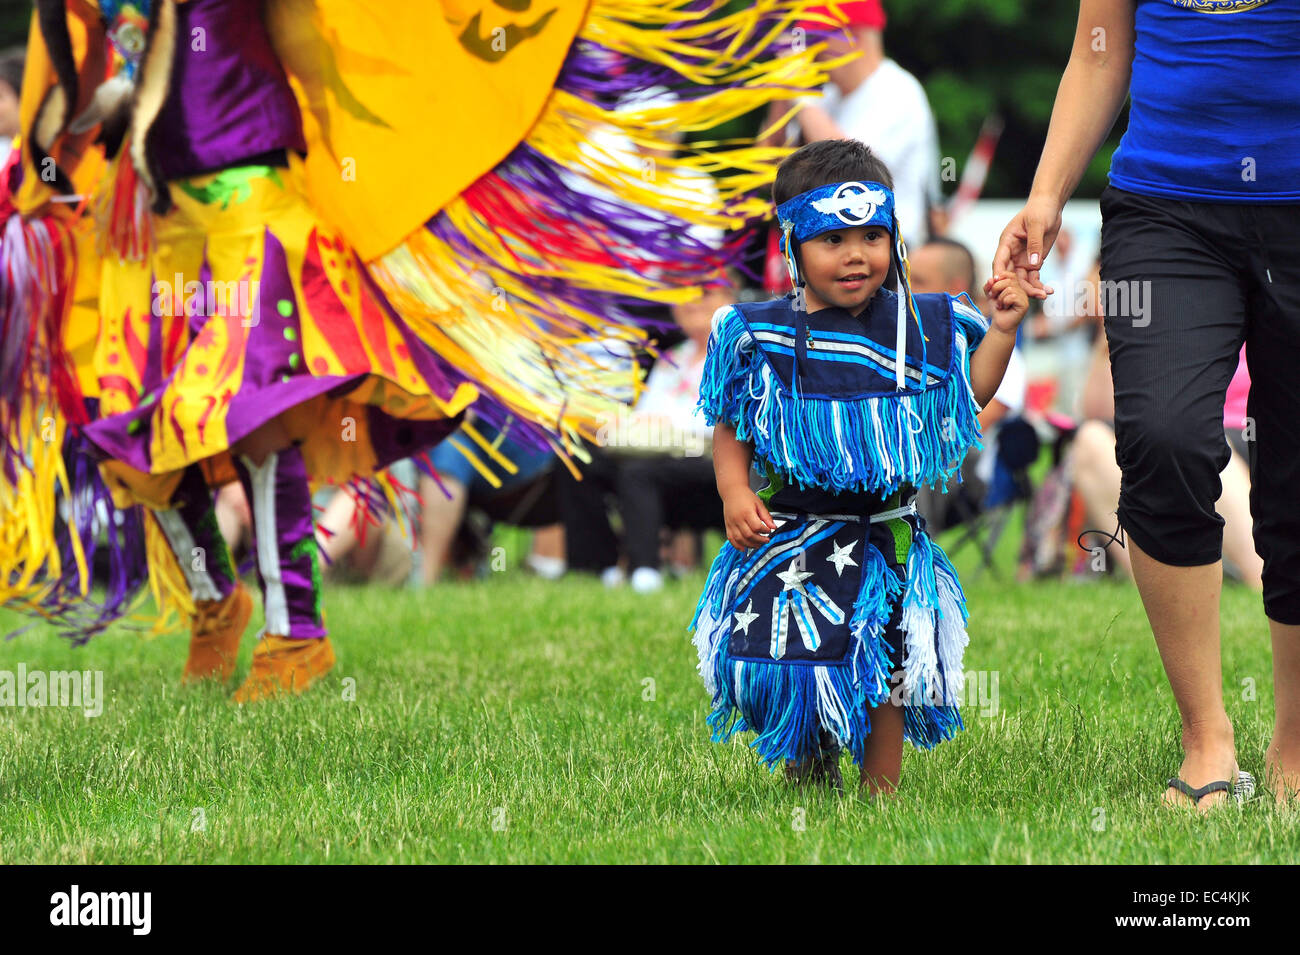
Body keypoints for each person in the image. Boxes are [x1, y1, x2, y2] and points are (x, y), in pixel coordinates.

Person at [0, 3, 821, 700]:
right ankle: (217, 600)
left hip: (255, 203)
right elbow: (93, 95)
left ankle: (298, 634)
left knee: (254, 411)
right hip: (153, 219)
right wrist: (65, 153)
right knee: (136, 422)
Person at [993, 0, 1298, 809]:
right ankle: (1207, 737)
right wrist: (1046, 194)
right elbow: (1099, 51)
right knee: (1160, 435)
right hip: (1166, 208)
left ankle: (1295, 744)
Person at [690, 139, 1027, 795]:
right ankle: (808, 772)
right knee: (800, 662)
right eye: (833, 239)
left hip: (889, 540)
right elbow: (729, 419)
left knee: (887, 673)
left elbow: (969, 398)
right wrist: (734, 490)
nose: (856, 255)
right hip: (791, 536)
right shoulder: (759, 333)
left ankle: (882, 792)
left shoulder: (923, 327)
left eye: (873, 235)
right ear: (792, 246)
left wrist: (1006, 330)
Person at [766, 1, 945, 247]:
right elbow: (766, 164)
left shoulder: (899, 91)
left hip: (889, 254)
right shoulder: (825, 100)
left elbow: (849, 175)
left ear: (852, 36)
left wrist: (799, 92)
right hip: (837, 250)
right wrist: (782, 94)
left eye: (819, 39)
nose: (813, 52)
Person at [908, 238, 1027, 534]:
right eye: (904, 278)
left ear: (955, 288)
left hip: (974, 473)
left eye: (918, 281)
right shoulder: (903, 346)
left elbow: (971, 426)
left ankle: (910, 552)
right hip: (926, 459)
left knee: (918, 450)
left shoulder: (997, 351)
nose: (905, 291)